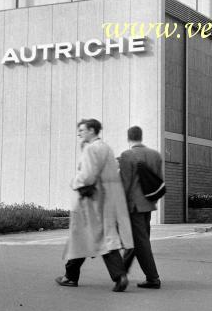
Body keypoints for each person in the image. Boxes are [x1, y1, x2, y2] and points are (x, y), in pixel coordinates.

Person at [56, 119, 134, 292]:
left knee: (80, 238)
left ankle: (70, 276)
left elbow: (87, 176)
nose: (79, 134)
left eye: (82, 130)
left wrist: (74, 182)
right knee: (104, 238)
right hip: (106, 199)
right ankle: (119, 276)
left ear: (92, 130)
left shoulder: (91, 149)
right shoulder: (106, 147)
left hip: (89, 200)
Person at [118, 126, 162, 289]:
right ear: (141, 137)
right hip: (148, 205)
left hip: (134, 206)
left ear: (129, 138)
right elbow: (159, 181)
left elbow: (125, 184)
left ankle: (153, 278)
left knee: (140, 242)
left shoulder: (127, 155)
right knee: (139, 240)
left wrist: (121, 206)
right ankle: (121, 272)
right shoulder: (155, 155)